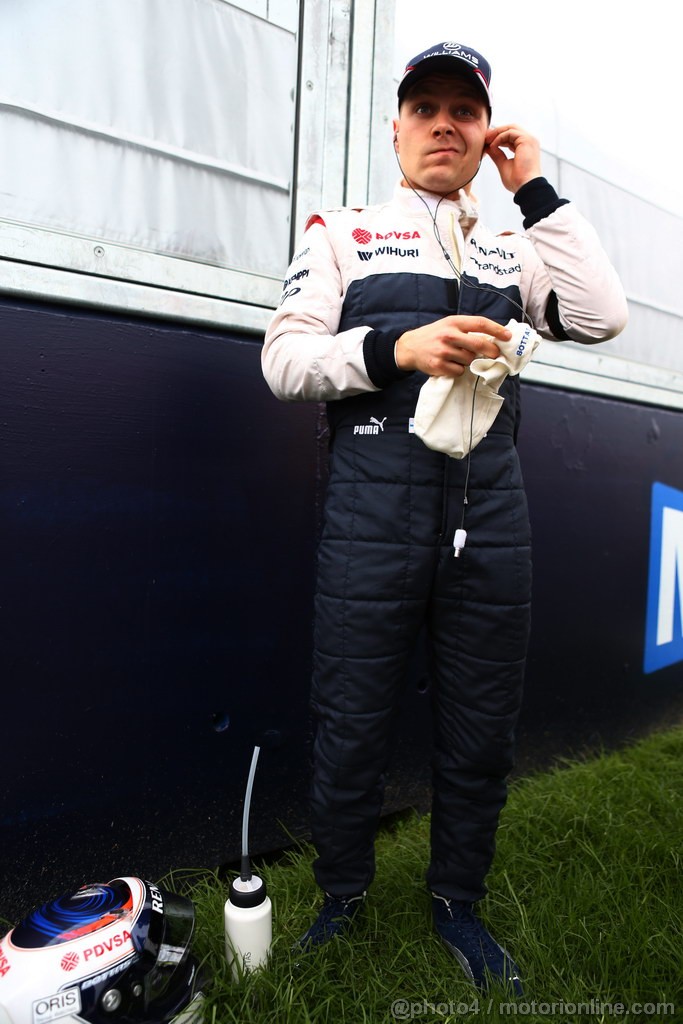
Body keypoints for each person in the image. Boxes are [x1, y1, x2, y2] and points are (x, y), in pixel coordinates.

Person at [261, 41, 627, 994]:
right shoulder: (341, 231)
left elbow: (601, 315)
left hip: (489, 513)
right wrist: (398, 347)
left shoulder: (514, 243)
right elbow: (284, 362)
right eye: (423, 108)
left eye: (463, 112)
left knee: (481, 730)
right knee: (349, 720)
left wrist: (535, 189)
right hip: (370, 515)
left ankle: (457, 908)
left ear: (484, 132)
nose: (443, 125)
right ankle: (341, 899)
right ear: (394, 129)